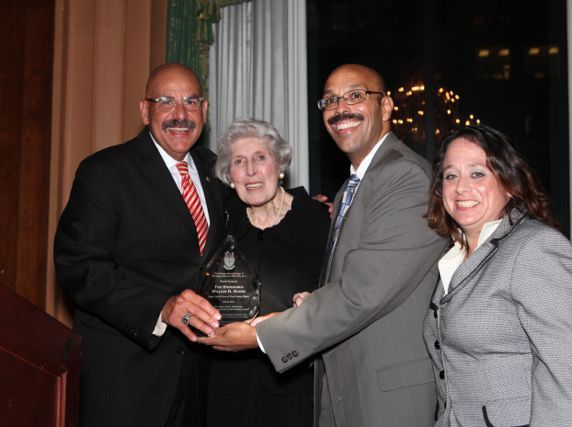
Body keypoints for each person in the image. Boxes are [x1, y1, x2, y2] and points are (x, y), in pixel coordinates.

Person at [199, 64, 447, 427]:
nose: (341, 108)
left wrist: (261, 335)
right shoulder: (350, 188)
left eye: (355, 95)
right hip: (343, 384)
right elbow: (353, 282)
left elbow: (362, 293)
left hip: (385, 392)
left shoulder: (403, 176)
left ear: (388, 106)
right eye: (330, 100)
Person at [54, 63, 226, 427]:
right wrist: (161, 308)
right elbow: (80, 266)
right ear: (145, 110)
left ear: (205, 111)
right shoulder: (105, 172)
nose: (180, 115)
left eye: (191, 102)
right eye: (166, 101)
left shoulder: (219, 172)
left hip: (201, 382)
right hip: (125, 381)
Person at [424, 124, 572, 426]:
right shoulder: (454, 258)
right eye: (450, 175)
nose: (460, 187)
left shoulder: (536, 248)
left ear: (509, 183)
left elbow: (568, 383)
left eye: (477, 173)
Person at [206, 118, 329, 426]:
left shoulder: (319, 220)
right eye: (239, 162)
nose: (250, 171)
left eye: (260, 157)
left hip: (296, 387)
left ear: (280, 165)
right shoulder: (220, 223)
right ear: (229, 175)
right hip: (227, 390)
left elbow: (341, 299)